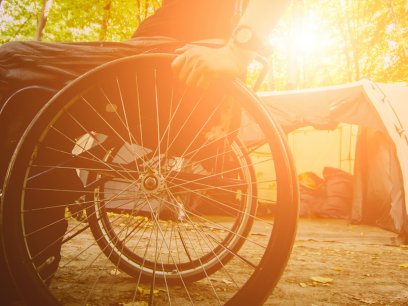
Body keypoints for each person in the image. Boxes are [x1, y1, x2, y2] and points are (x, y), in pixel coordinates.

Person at [0, 0, 290, 303]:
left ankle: (32, 229)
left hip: (166, 71)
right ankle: (29, 238)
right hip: (153, 67)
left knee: (11, 61)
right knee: (36, 101)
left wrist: (238, 49)